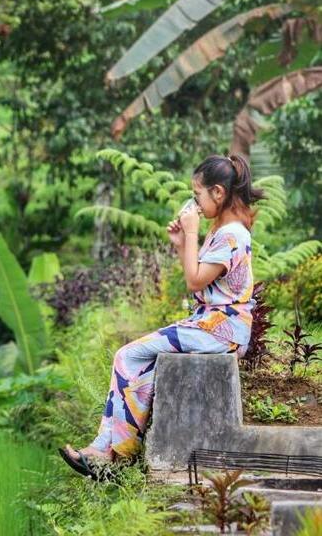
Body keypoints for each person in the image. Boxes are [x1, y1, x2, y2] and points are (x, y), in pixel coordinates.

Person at [59, 153, 265, 479]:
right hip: (210, 324)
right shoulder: (223, 230)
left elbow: (195, 280)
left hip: (221, 328)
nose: (194, 203)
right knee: (141, 367)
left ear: (218, 193)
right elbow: (201, 278)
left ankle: (108, 450)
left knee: (127, 355)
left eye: (197, 194)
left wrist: (192, 233)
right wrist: (182, 241)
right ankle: (112, 452)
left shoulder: (232, 234)